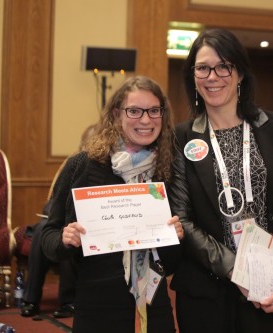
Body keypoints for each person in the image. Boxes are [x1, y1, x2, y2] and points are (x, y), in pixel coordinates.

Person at [168, 28, 273, 333]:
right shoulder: (181, 137)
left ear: (240, 74)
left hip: (271, 291)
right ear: (192, 77)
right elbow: (182, 218)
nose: (213, 76)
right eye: (203, 68)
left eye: (224, 66)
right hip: (204, 295)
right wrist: (238, 268)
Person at [41, 76, 183, 333]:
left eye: (154, 111)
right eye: (134, 111)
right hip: (97, 305)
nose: (145, 119)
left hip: (153, 305)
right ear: (117, 114)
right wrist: (64, 238)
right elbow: (47, 238)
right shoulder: (83, 166)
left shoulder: (168, 172)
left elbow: (172, 264)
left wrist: (174, 239)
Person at [20, 124, 98, 318]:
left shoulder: (104, 169)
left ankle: (68, 301)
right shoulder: (73, 165)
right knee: (43, 230)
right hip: (58, 224)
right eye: (86, 145)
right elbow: (53, 202)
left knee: (69, 234)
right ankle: (31, 299)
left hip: (88, 229)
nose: (89, 149)